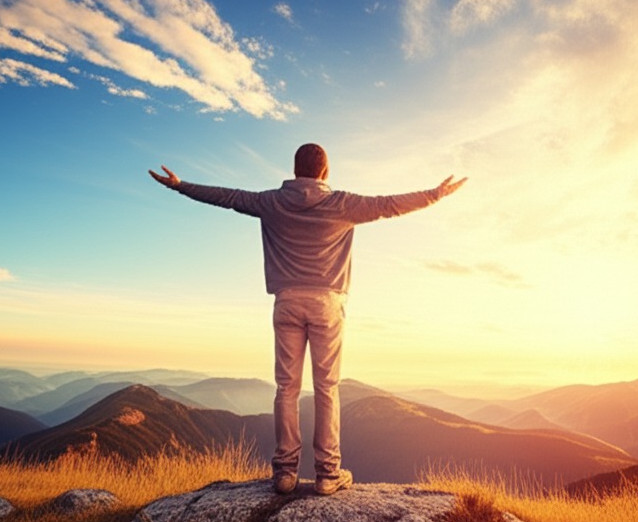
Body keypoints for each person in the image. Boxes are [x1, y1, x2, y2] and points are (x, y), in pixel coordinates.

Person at [149, 144, 466, 496]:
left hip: (286, 301)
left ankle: (284, 473)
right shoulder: (344, 204)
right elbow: (389, 205)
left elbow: (227, 197)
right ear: (325, 172)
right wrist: (435, 195)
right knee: (327, 387)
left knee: (286, 387)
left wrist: (180, 185)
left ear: (295, 170)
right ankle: (328, 473)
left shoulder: (271, 202)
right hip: (327, 303)